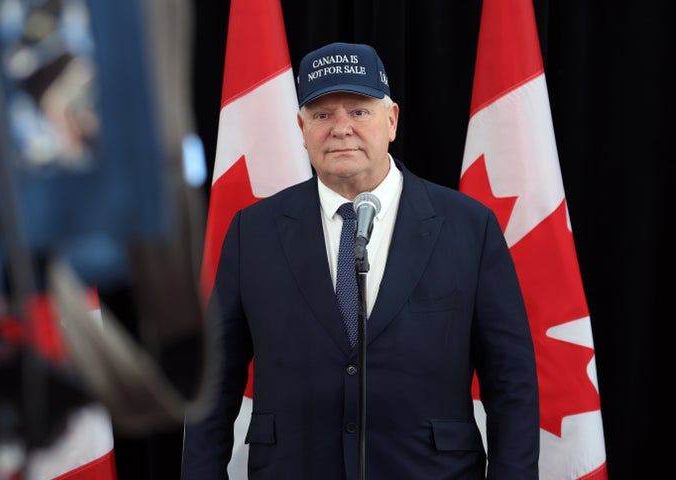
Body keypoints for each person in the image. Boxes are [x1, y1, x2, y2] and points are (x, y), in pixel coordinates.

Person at [182, 42, 539, 479]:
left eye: (359, 111)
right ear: (302, 126)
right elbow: (212, 385)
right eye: (322, 114)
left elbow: (512, 384)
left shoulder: (469, 227)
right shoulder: (252, 232)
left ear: (391, 120)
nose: (340, 128)